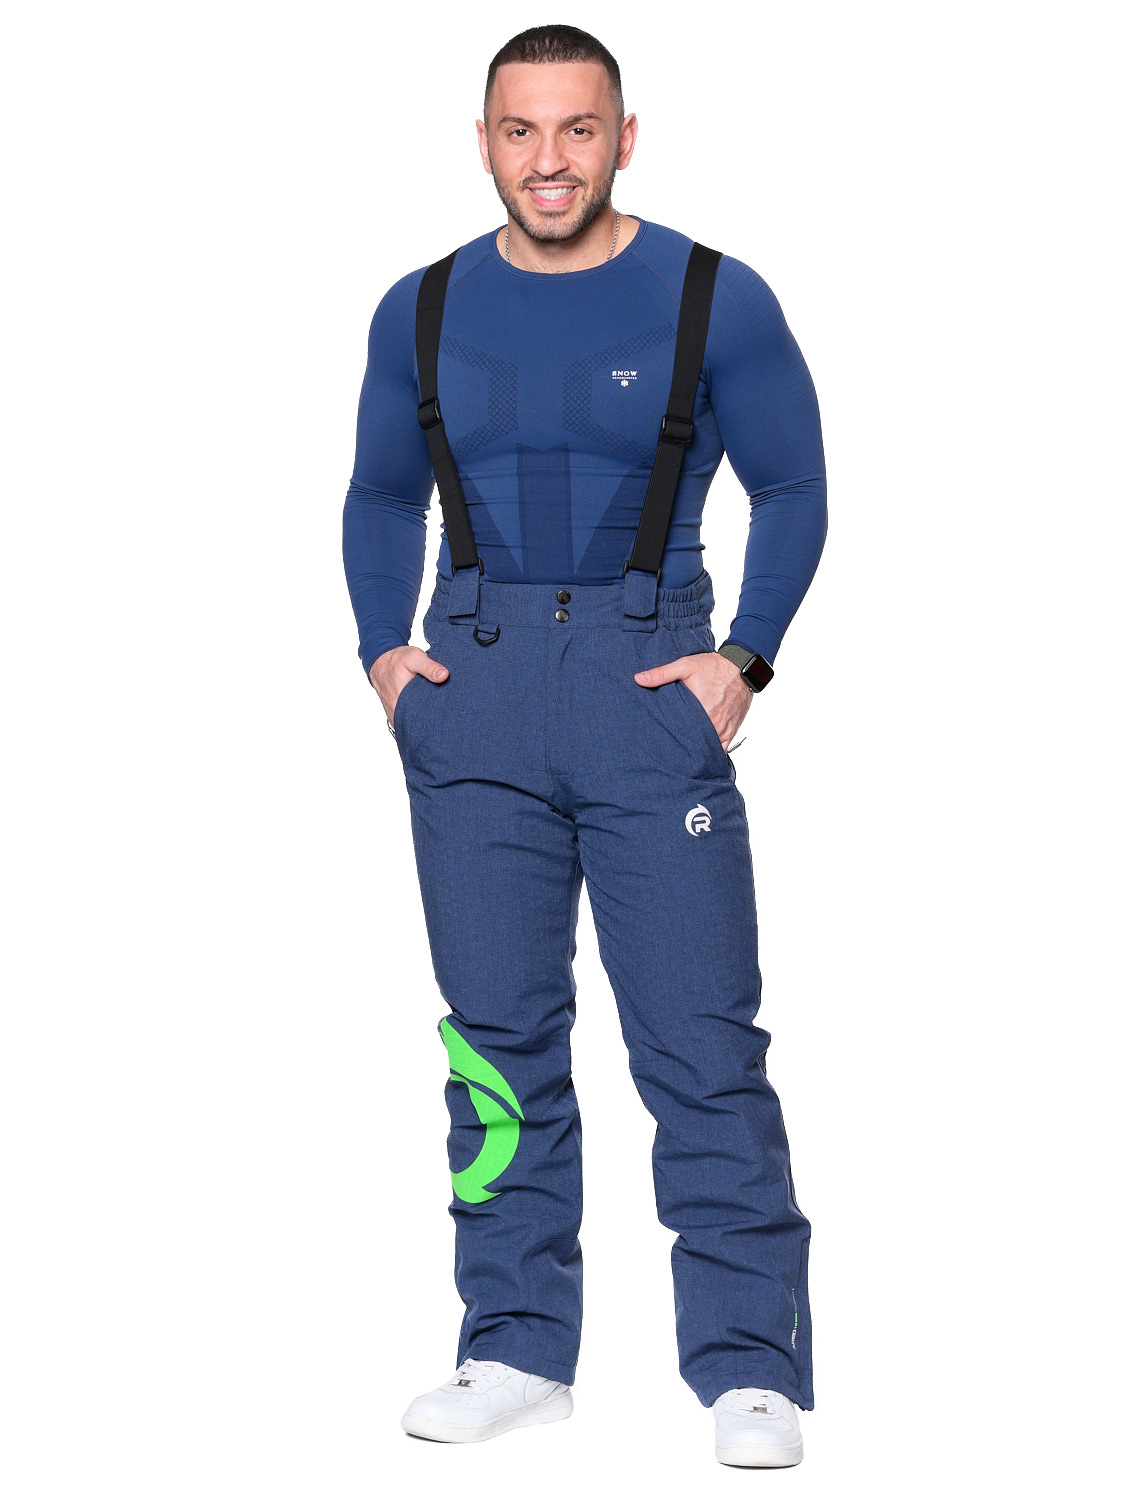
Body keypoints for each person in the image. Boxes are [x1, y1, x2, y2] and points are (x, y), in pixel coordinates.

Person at [342, 24, 827, 1470]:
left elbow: (795, 485)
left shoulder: (711, 294)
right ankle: (513, 1346)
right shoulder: (420, 305)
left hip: (643, 679)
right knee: (493, 1040)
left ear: (624, 137)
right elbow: (378, 495)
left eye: (576, 129)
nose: (547, 160)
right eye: (520, 130)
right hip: (472, 683)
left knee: (700, 1039)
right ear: (484, 141)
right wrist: (382, 656)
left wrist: (745, 657)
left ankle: (749, 1369)